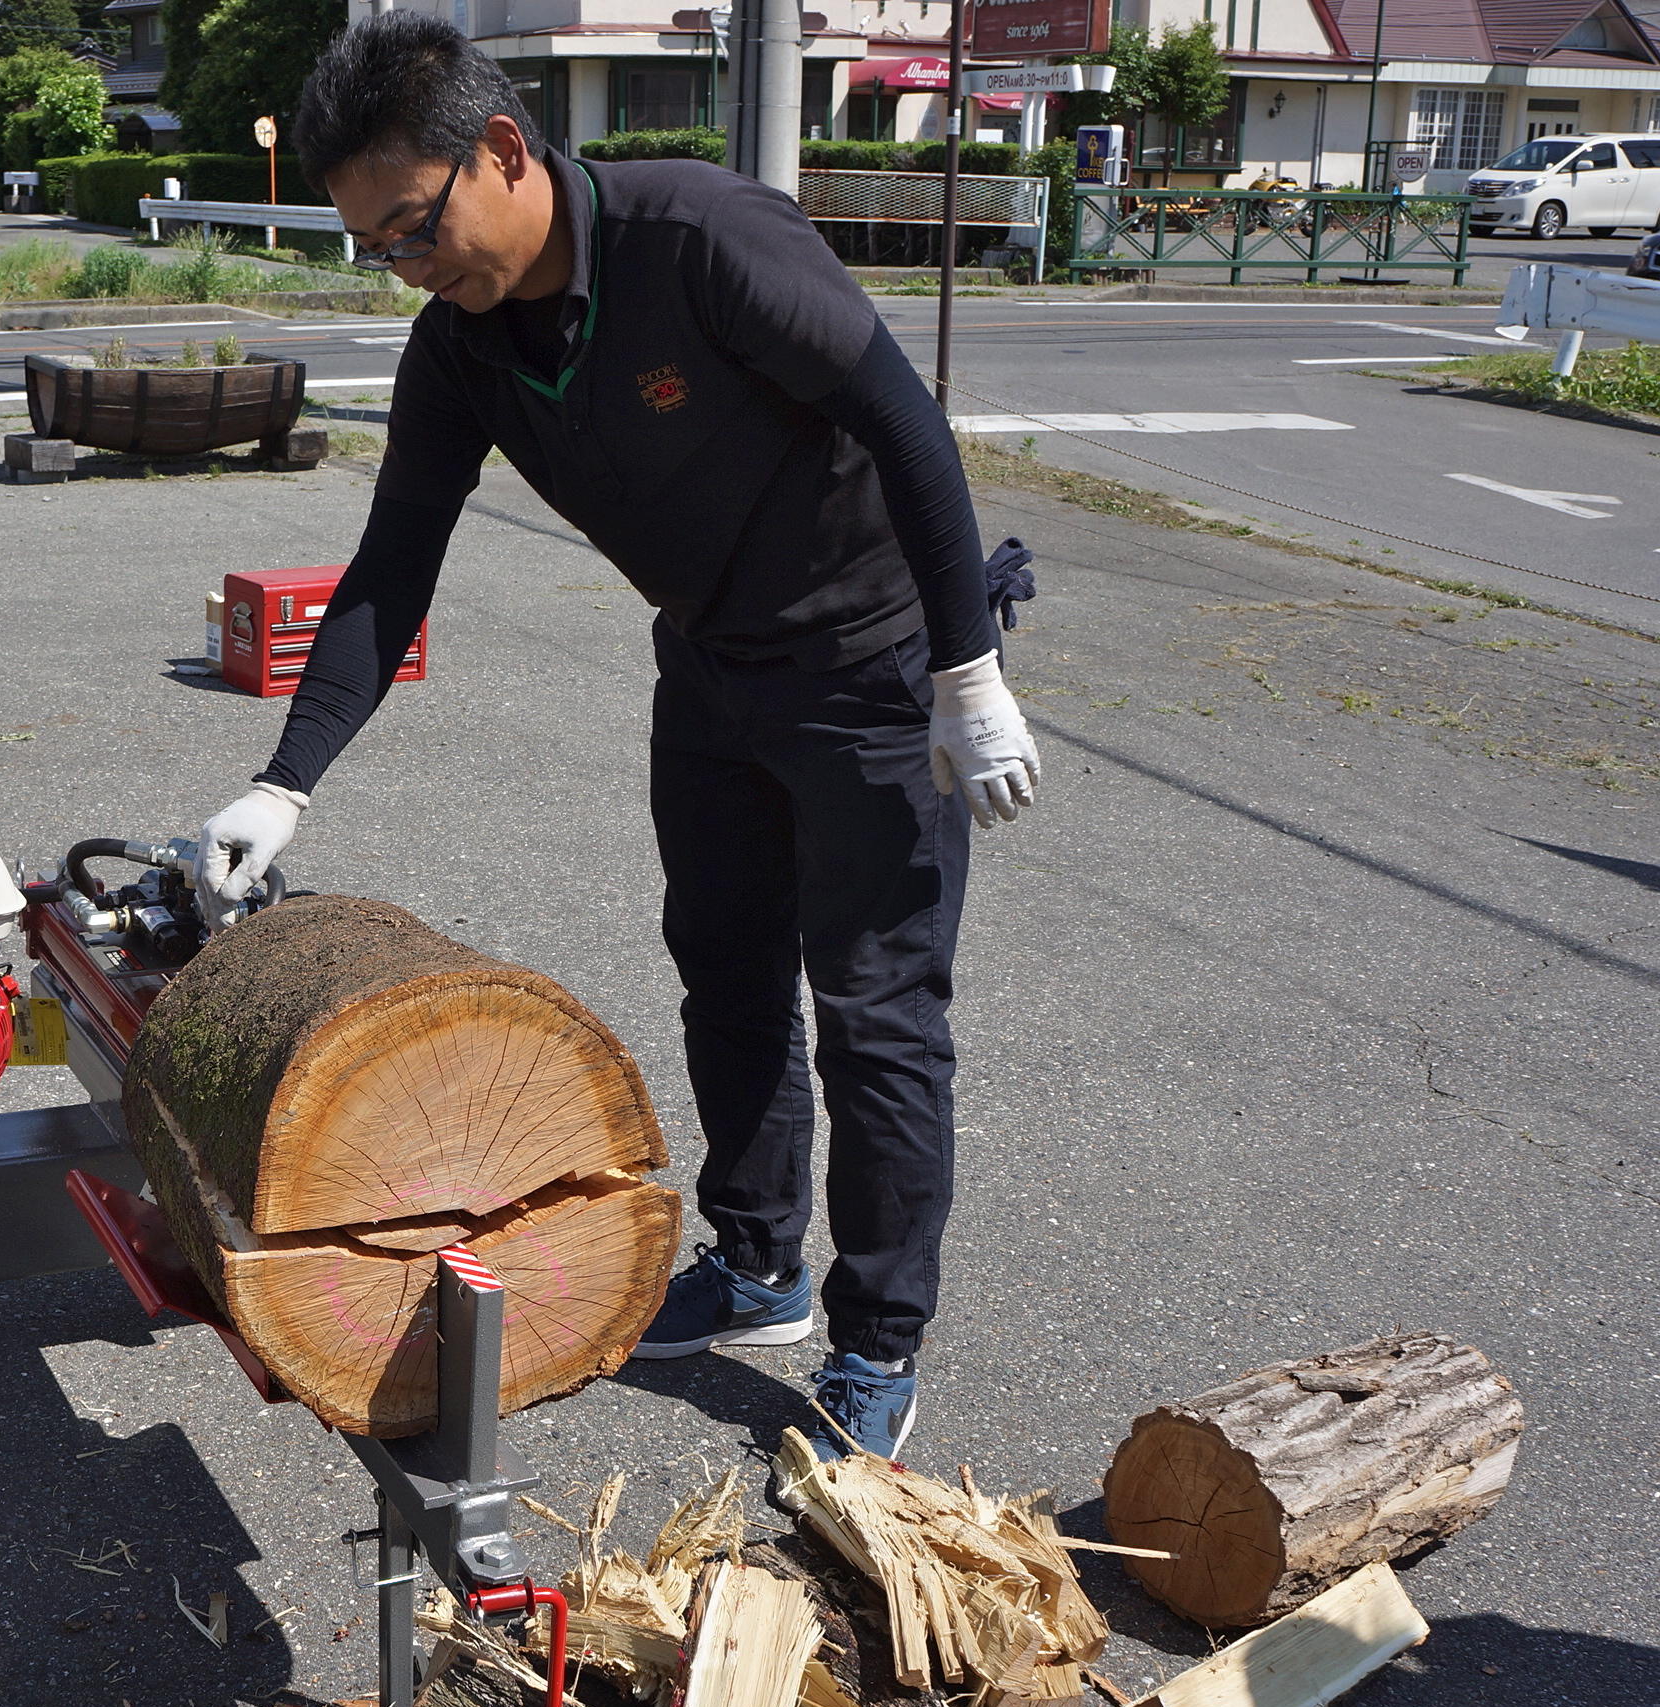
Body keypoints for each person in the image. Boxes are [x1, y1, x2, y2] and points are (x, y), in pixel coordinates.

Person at [192, 14, 1043, 1484]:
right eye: (375, 247)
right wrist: (287, 777)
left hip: (871, 664)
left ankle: (878, 1339)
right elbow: (392, 567)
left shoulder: (700, 240)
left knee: (877, 1013)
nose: (406, 265)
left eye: (414, 227)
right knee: (726, 973)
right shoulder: (462, 348)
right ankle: (759, 1265)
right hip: (709, 662)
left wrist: (964, 671)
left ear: (501, 151)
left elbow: (905, 424)